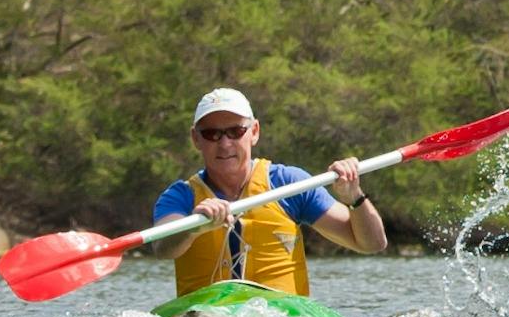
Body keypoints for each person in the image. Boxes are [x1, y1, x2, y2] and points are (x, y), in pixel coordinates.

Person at [144, 88, 386, 299]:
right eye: (212, 134)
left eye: (235, 131)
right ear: (196, 139)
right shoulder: (180, 197)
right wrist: (194, 228)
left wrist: (354, 197)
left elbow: (372, 244)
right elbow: (164, 247)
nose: (225, 143)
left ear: (254, 131)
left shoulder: (288, 184)